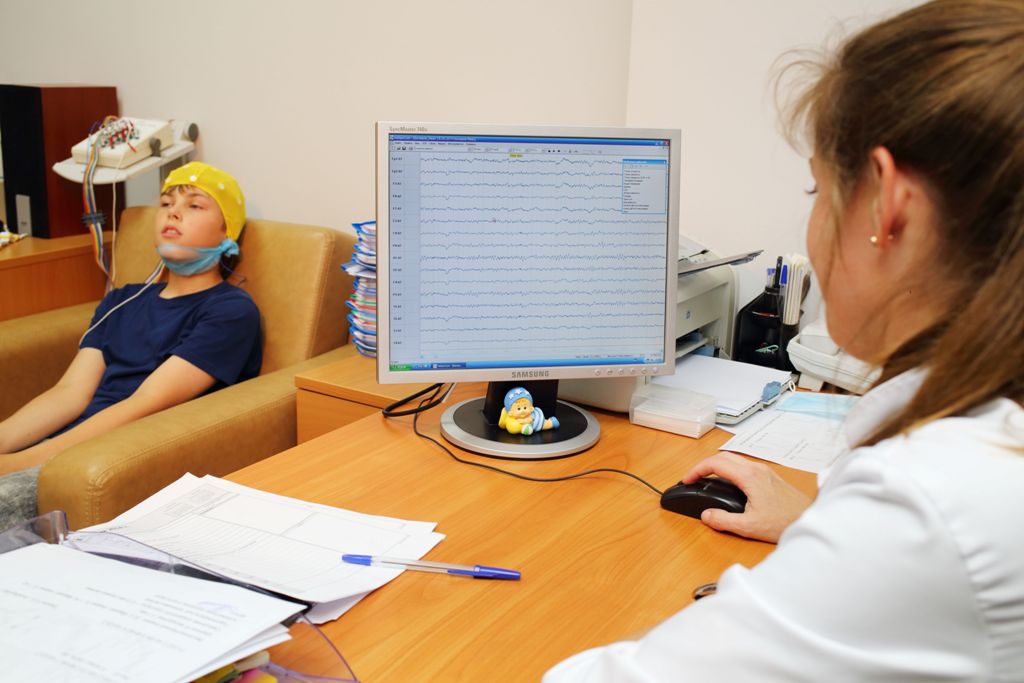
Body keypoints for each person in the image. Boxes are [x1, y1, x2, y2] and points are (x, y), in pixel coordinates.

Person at [545, 1, 1024, 680]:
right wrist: (821, 523)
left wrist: (843, 548)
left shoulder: (931, 502)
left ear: (887, 204)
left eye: (817, 189)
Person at [0, 162, 262, 526]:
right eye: (166, 203)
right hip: (66, 442)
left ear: (226, 232)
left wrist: (21, 463)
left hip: (113, 455)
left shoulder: (230, 311)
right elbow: (70, 392)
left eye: (194, 205)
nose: (173, 212)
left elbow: (145, 403)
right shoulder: (122, 299)